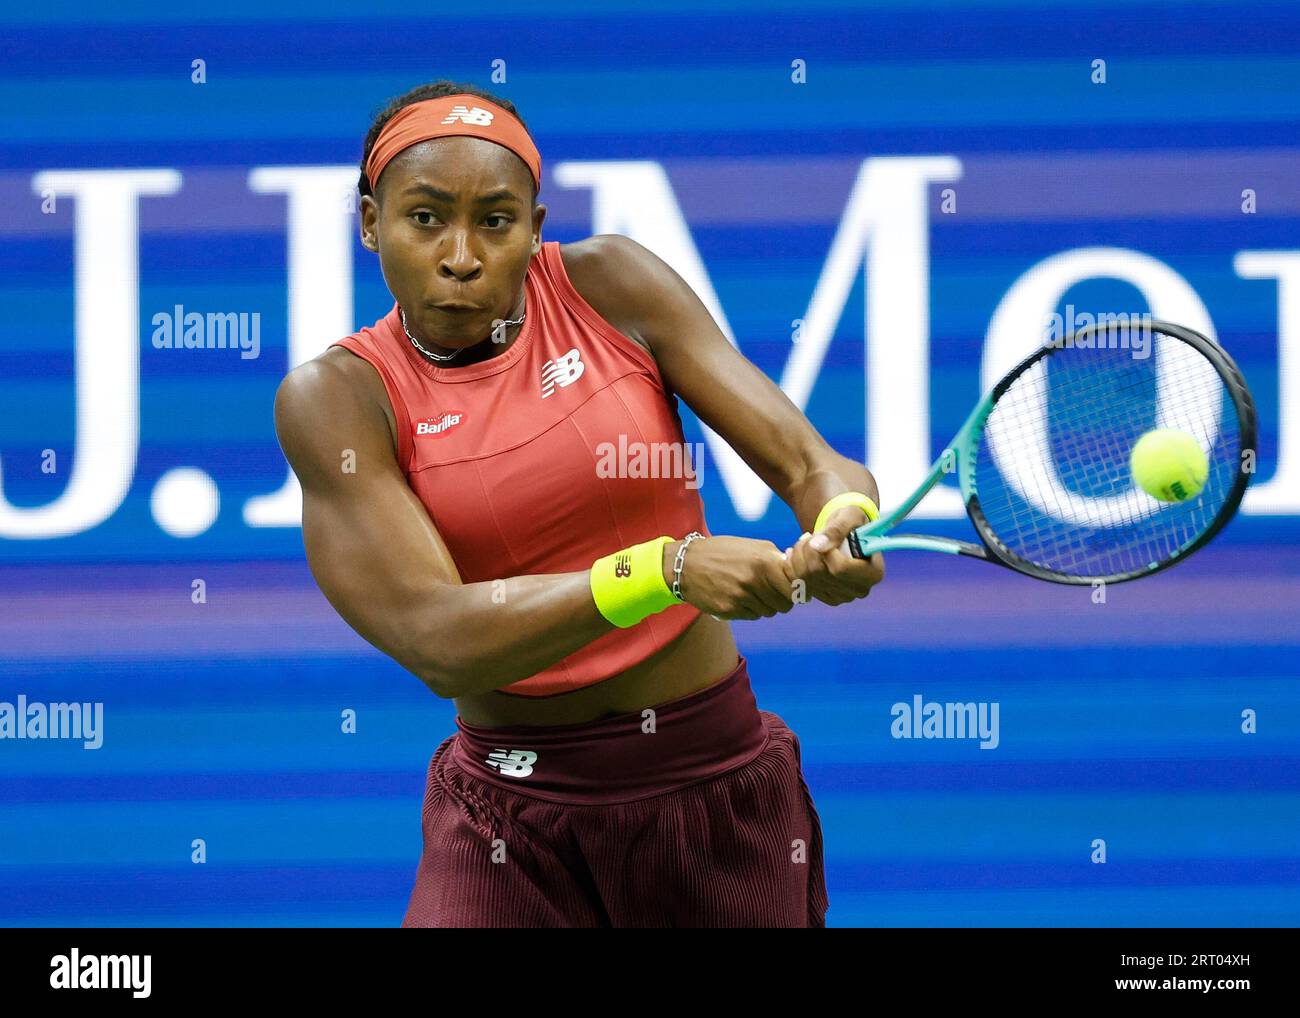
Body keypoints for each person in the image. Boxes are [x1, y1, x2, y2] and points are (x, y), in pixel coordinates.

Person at [273, 79, 885, 927]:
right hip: (503, 824)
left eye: (495, 219)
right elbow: (439, 638)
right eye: (424, 218)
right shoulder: (338, 400)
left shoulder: (610, 286)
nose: (460, 254)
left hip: (710, 798)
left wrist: (841, 524)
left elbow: (813, 463)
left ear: (534, 227)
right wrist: (665, 570)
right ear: (370, 221)